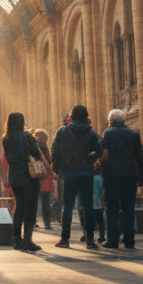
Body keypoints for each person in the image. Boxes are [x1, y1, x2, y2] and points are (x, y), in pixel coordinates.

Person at [50, 104, 102, 249]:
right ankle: (90, 239)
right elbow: (99, 150)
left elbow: (55, 151)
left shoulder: (63, 131)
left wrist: (58, 168)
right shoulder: (91, 133)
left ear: (71, 117)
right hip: (86, 173)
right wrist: (90, 160)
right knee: (88, 206)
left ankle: (65, 239)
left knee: (67, 206)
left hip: (69, 173)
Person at [101, 108, 143, 250]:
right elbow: (140, 157)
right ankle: (129, 240)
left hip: (111, 175)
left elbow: (103, 153)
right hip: (130, 175)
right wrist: (141, 177)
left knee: (112, 208)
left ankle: (112, 241)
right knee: (128, 208)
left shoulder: (108, 132)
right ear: (124, 120)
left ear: (110, 121)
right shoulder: (133, 134)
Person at [2, 113, 44, 251]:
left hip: (15, 176)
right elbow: (37, 153)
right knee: (30, 208)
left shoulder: (6, 139)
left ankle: (16, 240)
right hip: (29, 176)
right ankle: (27, 240)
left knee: (19, 206)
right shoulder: (27, 137)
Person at [33, 129, 55, 229]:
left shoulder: (34, 150)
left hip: (36, 178)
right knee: (45, 202)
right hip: (45, 179)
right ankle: (47, 223)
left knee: (34, 202)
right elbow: (49, 164)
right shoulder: (46, 151)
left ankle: (33, 222)